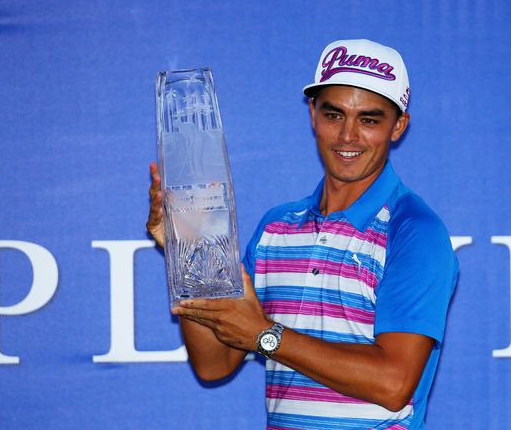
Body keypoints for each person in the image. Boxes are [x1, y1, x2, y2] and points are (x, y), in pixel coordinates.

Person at [147, 39, 458, 429]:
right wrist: (188, 247)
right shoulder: (276, 228)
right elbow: (213, 363)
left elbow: (393, 382)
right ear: (312, 114)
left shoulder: (414, 231)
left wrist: (266, 335)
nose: (348, 136)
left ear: (398, 126)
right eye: (334, 115)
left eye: (369, 119)